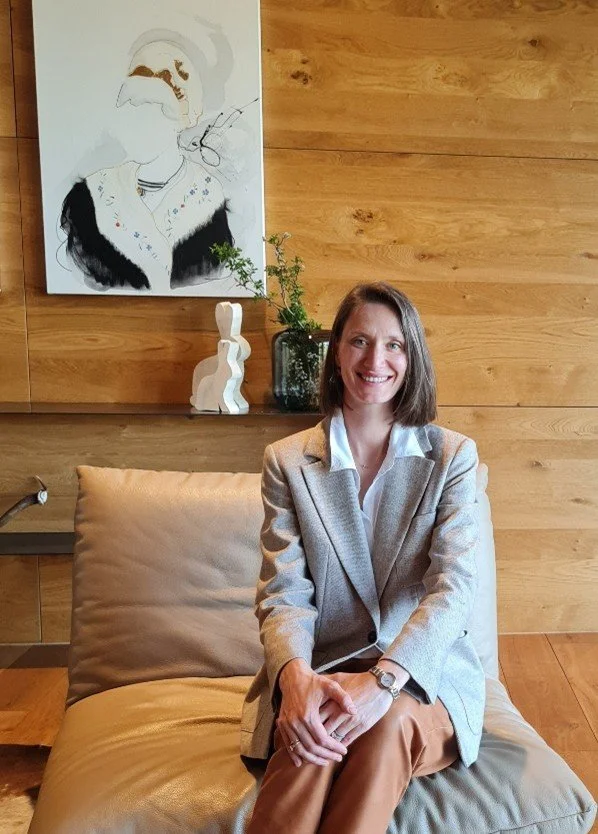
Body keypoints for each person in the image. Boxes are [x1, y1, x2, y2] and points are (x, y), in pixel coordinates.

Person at [240, 281, 485, 834]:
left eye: (394, 344)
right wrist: (297, 679)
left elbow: (454, 588)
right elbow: (284, 591)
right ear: (335, 354)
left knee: (387, 721)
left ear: (412, 354)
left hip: (423, 678)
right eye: (359, 341)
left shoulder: (452, 458)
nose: (376, 360)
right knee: (313, 726)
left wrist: (384, 681)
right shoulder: (287, 462)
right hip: (325, 669)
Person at [60, 40, 233, 293]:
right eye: (133, 110)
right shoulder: (90, 195)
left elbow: (215, 281)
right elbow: (81, 280)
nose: (139, 128)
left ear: (180, 119)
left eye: (157, 111)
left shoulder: (207, 198)